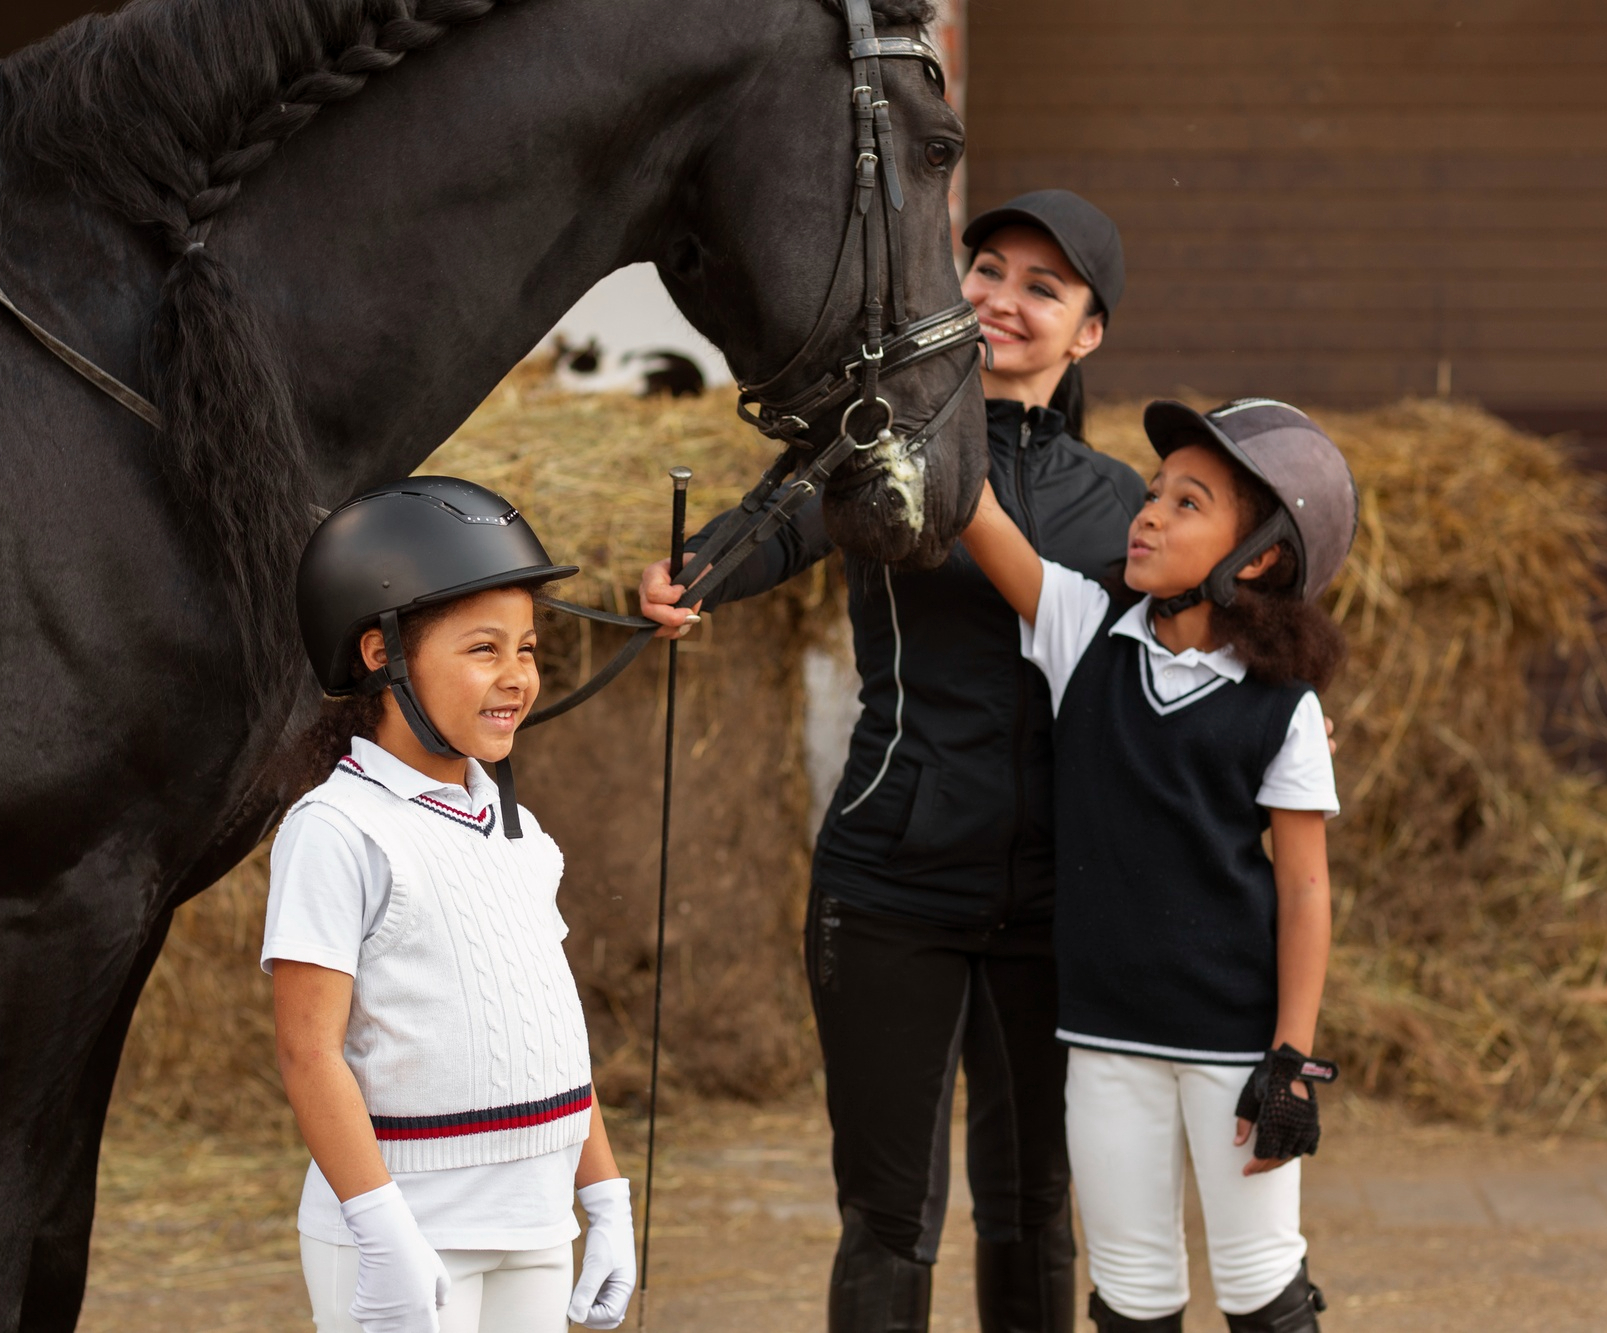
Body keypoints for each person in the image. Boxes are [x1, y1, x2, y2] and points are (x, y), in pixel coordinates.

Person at [640, 190, 1140, 1333]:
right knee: (886, 1216)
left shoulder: (1124, 510)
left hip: (1058, 905)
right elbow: (784, 518)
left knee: (1032, 1207)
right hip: (888, 885)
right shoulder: (884, 449)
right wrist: (694, 575)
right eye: (987, 269)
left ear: (1088, 332)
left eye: (1041, 288)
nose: (1001, 299)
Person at [958, 397, 1355, 1333]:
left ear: (1256, 556)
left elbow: (1305, 889)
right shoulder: (1083, 632)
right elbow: (975, 514)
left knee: (1261, 1281)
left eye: (1188, 502)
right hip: (1104, 1038)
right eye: (1152, 492)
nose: (1148, 513)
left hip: (1234, 1048)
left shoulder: (1283, 709)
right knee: (1131, 1290)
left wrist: (1291, 1061)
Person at [269, 477, 637, 1333]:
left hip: (536, 1227)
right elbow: (307, 1052)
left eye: (529, 650)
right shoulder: (337, 829)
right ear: (380, 653)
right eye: (483, 649)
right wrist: (383, 1229)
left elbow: (551, 1029)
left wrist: (604, 1195)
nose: (517, 677)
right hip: (407, 1230)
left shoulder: (518, 828)